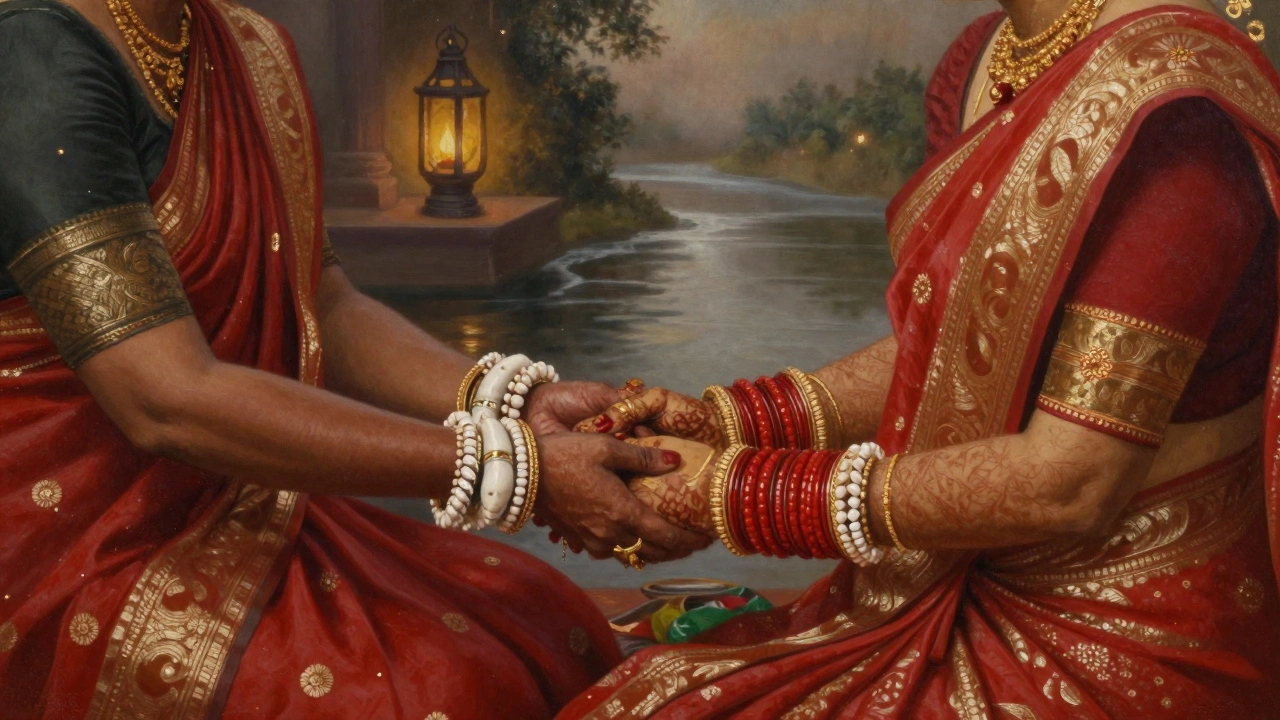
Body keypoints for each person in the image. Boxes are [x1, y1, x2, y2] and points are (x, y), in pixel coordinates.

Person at [560, 0, 1280, 716]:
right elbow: (958, 351)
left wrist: (740, 494)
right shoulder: (983, 60)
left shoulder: (1171, 116)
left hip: (1125, 636)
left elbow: (1072, 483)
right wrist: (734, 422)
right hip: (953, 574)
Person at [0, 0, 712, 717]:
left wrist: (505, 399)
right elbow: (163, 399)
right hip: (72, 539)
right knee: (440, 693)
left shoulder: (250, 50)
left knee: (544, 614)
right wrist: (516, 466)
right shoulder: (36, 53)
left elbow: (323, 305)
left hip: (237, 499)